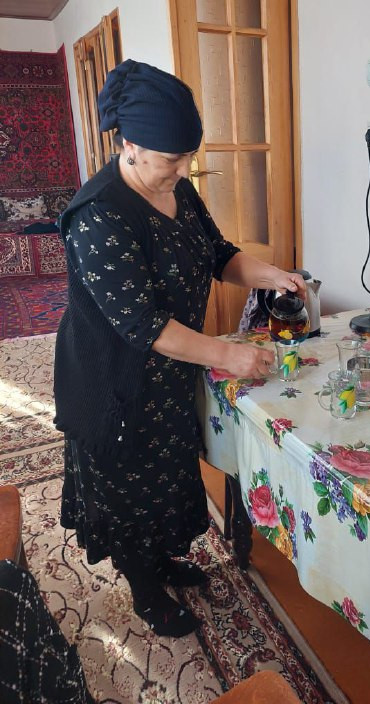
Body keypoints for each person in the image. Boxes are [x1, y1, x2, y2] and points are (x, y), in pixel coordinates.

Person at [54, 59, 305, 637]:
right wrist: (230, 355)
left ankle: (162, 561)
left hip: (168, 370)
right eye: (172, 158)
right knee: (127, 485)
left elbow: (219, 254)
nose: (184, 169)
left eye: (188, 155)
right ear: (131, 145)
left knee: (164, 473)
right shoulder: (98, 215)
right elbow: (146, 326)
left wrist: (272, 276)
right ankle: (145, 590)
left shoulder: (180, 191)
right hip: (113, 379)